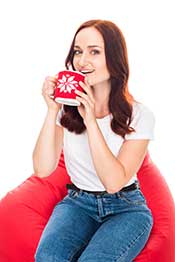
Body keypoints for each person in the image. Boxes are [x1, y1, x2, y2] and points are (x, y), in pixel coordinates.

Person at [34, 19, 155, 261]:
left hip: (126, 208)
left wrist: (90, 120)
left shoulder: (140, 115)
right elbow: (42, 169)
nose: (82, 61)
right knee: (47, 257)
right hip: (79, 203)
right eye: (78, 52)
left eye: (94, 52)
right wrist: (51, 110)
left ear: (114, 57)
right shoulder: (65, 110)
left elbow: (113, 183)